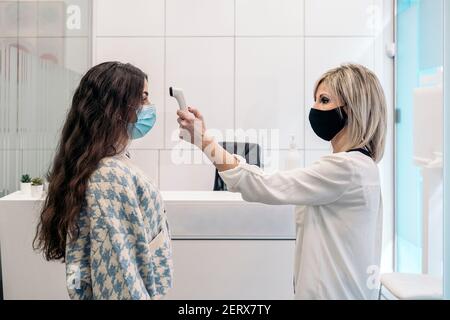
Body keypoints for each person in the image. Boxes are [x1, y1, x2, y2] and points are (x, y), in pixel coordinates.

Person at [177, 63, 387, 300]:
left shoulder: (346, 168)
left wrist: (204, 142)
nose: (315, 109)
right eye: (315, 100)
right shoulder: (363, 166)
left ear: (352, 109)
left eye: (324, 100)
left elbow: (261, 184)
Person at [34, 62, 173, 300]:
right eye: (143, 98)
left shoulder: (108, 163)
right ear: (117, 106)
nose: (149, 108)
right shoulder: (109, 177)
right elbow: (119, 280)